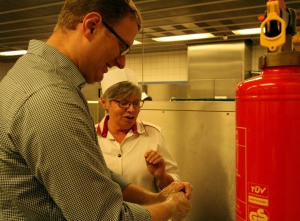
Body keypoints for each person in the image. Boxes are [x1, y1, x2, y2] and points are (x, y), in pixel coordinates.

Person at [0, 0, 192, 220]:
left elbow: (93, 173)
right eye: (122, 47)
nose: (121, 62)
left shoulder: (30, 74)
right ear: (91, 26)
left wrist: (154, 198)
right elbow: (104, 217)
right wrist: (170, 207)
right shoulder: (51, 99)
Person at [96, 68, 180, 192]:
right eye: (123, 103)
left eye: (136, 103)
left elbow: (175, 184)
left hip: (146, 211)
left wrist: (162, 176)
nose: (131, 109)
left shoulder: (153, 134)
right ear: (104, 102)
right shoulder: (91, 135)